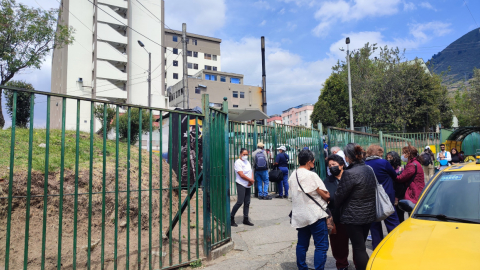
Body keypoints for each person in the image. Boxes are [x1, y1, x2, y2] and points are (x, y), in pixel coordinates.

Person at [335, 143, 376, 270]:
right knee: (361, 246)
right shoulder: (368, 169)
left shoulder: (349, 173)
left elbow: (339, 196)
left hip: (353, 217)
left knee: (358, 248)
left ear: (347, 157)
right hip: (368, 214)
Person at [289, 149, 330, 270]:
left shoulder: (293, 174)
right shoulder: (311, 175)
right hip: (315, 214)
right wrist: (318, 190)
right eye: (313, 161)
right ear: (308, 162)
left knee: (302, 244)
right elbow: (326, 195)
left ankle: (302, 267)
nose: (313, 163)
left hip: (300, 215)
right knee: (321, 246)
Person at [364, 145, 400, 250]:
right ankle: (395, 243)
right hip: (386, 196)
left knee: (374, 224)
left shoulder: (365, 164)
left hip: (370, 197)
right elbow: (394, 175)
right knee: (392, 221)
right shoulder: (383, 163)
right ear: (379, 153)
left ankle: (377, 246)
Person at [325, 154, 354, 270]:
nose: (332, 167)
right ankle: (342, 264)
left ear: (341, 165)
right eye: (329, 165)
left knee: (357, 244)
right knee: (338, 244)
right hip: (337, 217)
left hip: (353, 216)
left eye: (334, 165)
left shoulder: (350, 177)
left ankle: (359, 264)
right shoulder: (327, 181)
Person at [395, 145, 425, 222]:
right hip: (417, 191)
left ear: (408, 154)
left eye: (403, 153)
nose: (402, 155)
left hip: (413, 193)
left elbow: (401, 178)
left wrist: (392, 173)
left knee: (412, 216)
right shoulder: (415, 163)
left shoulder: (412, 165)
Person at [231, 148, 255, 227]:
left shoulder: (247, 162)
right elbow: (241, 174)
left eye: (246, 154)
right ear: (240, 154)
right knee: (240, 202)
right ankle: (231, 218)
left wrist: (251, 180)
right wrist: (250, 180)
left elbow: (250, 171)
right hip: (241, 183)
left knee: (247, 202)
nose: (245, 156)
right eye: (244, 154)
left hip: (248, 184)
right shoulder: (238, 162)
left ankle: (245, 219)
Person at [387, 151, 405, 222]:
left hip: (399, 196)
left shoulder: (401, 169)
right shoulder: (387, 169)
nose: (388, 159)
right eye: (387, 158)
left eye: (390, 158)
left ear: (395, 159)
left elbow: (402, 185)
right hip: (390, 196)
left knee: (400, 216)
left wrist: (397, 197)